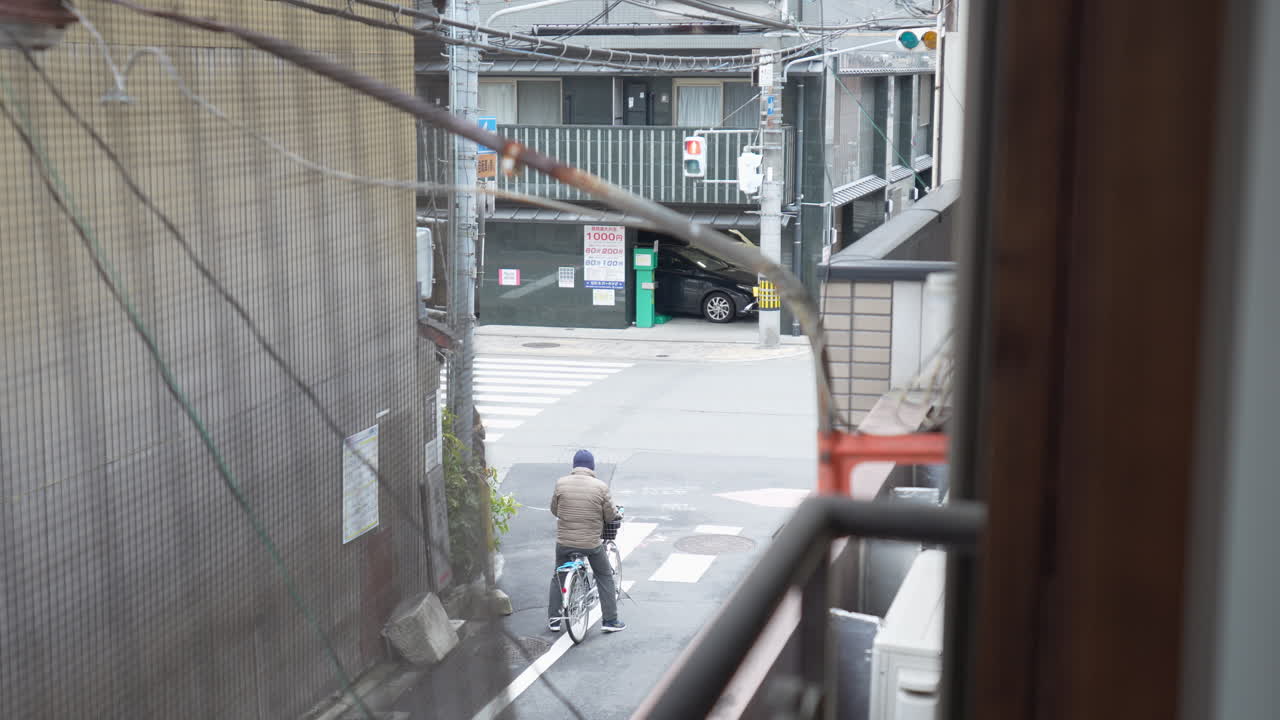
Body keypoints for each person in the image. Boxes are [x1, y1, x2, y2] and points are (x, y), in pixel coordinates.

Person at [547, 449, 625, 633]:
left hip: (564, 543)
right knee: (604, 575)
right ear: (592, 467)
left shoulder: (561, 484)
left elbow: (554, 510)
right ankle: (610, 620)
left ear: (574, 466)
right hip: (591, 544)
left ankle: (554, 620)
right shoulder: (600, 487)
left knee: (559, 575)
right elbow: (609, 515)